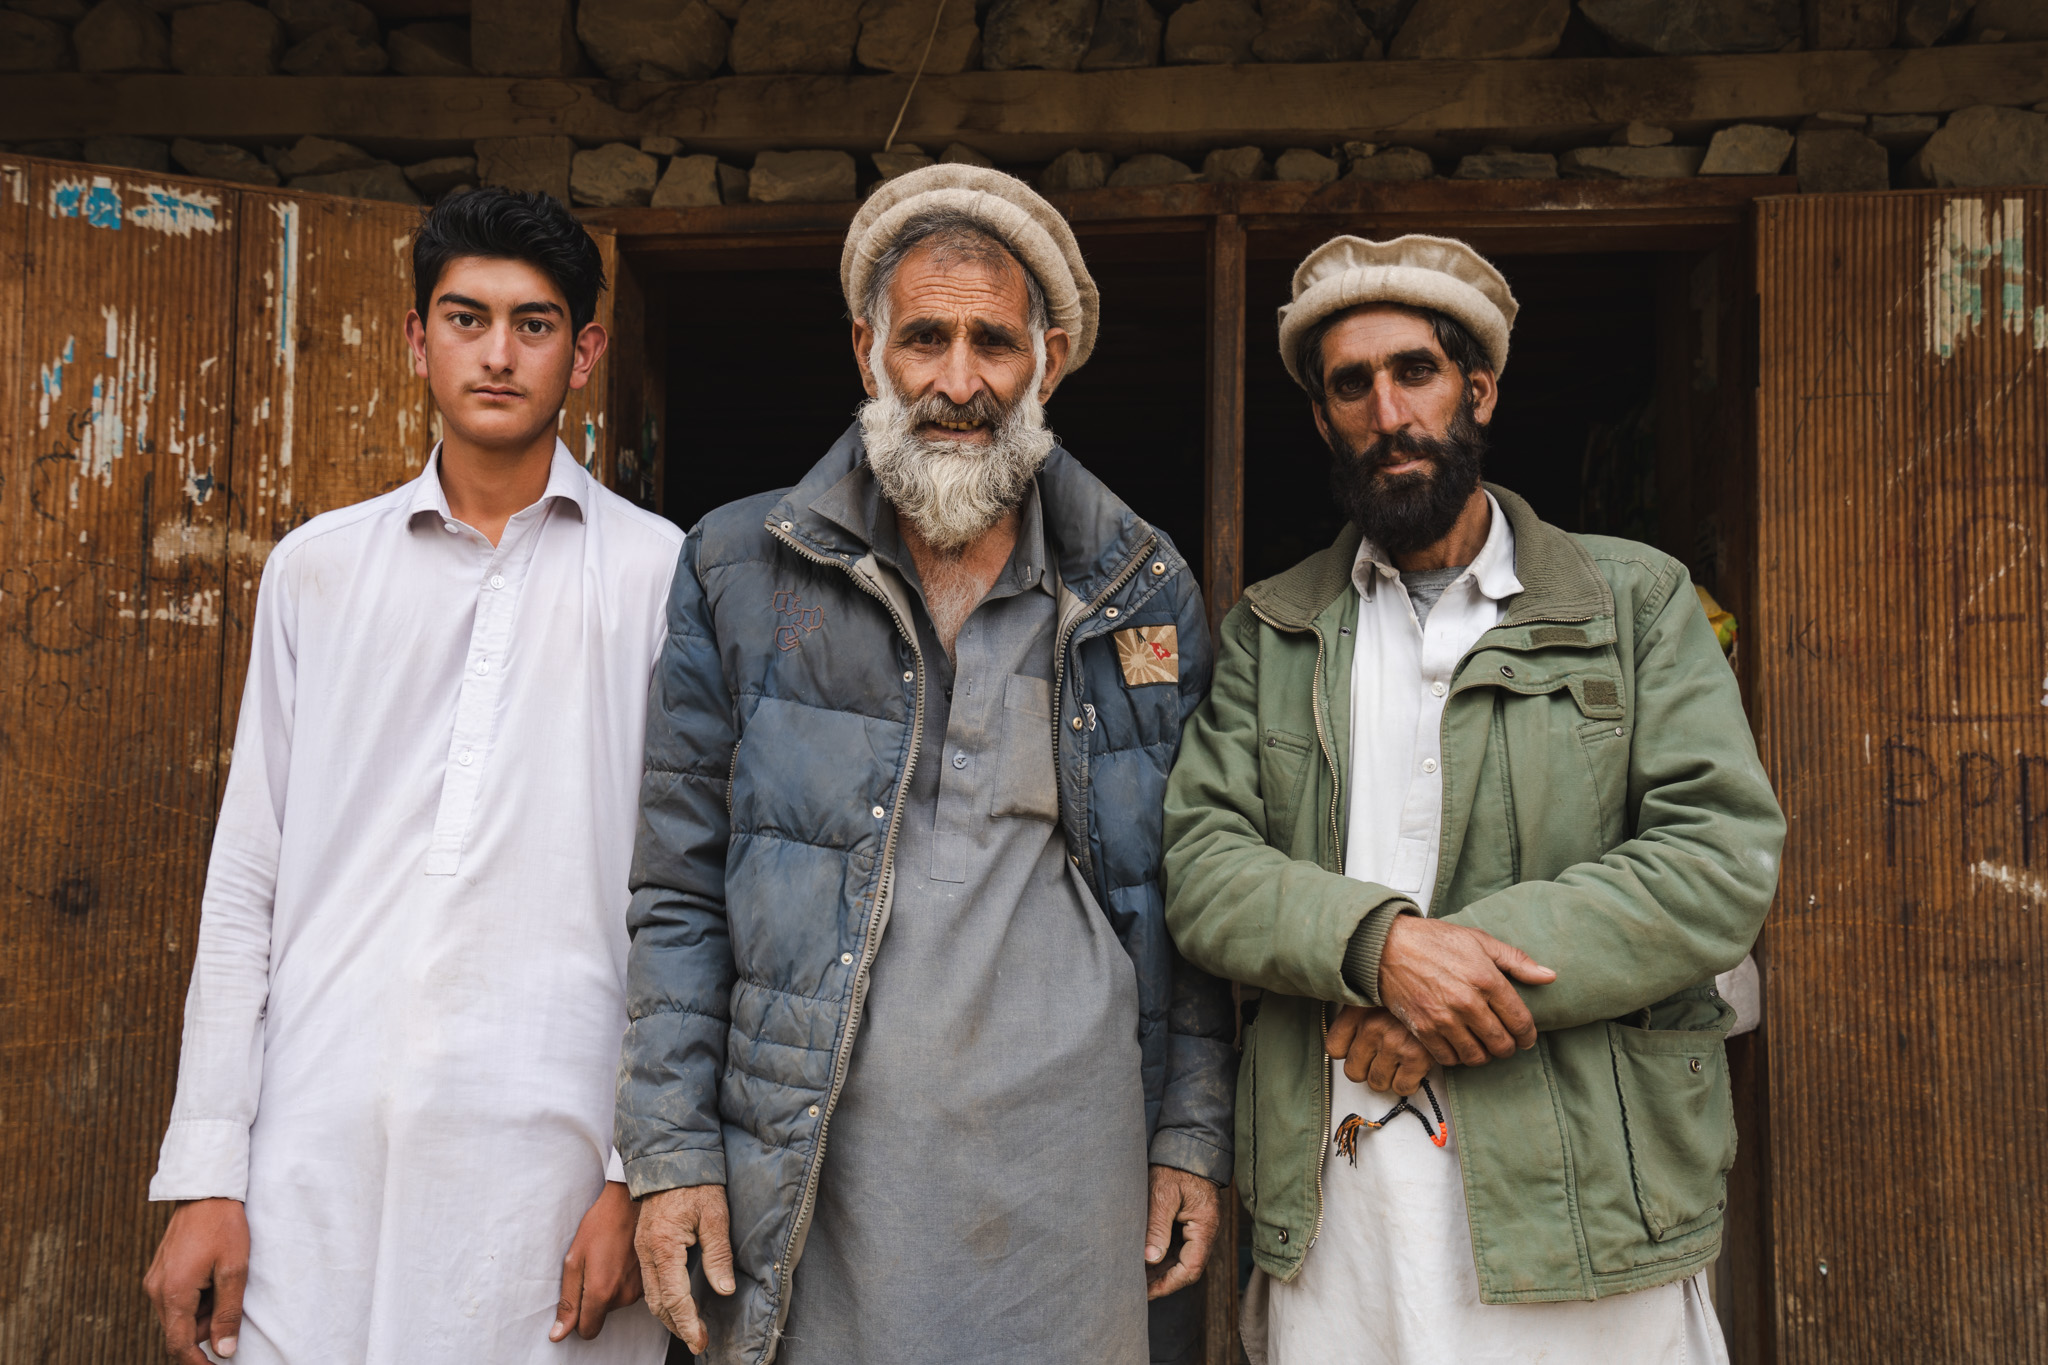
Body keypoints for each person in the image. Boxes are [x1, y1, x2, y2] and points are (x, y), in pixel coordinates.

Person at [616, 164, 1235, 1365]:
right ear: (866, 352)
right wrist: (673, 1151)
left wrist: (1189, 1138)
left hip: (1069, 1170)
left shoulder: (1136, 584)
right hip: (822, 1166)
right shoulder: (739, 568)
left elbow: (1186, 898)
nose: (959, 383)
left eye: (993, 343)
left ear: (1045, 361)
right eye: (926, 339)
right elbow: (676, 891)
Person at [1161, 234, 1787, 1364]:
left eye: (1415, 372)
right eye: (1349, 385)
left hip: (1583, 1184)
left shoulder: (1631, 601)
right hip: (1340, 1181)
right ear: (1320, 417)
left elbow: (1714, 861)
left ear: (1478, 389)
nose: (1385, 410)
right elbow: (1203, 865)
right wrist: (1376, 948)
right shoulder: (1273, 627)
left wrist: (1445, 973)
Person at [142, 188, 680, 1365]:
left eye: (534, 324)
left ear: (586, 352)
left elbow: (691, 898)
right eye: (465, 317)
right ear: (414, 337)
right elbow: (246, 886)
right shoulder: (317, 572)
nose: (497, 354)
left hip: (547, 1174)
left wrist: (636, 1170)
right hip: (310, 1161)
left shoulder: (665, 579)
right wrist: (207, 1173)